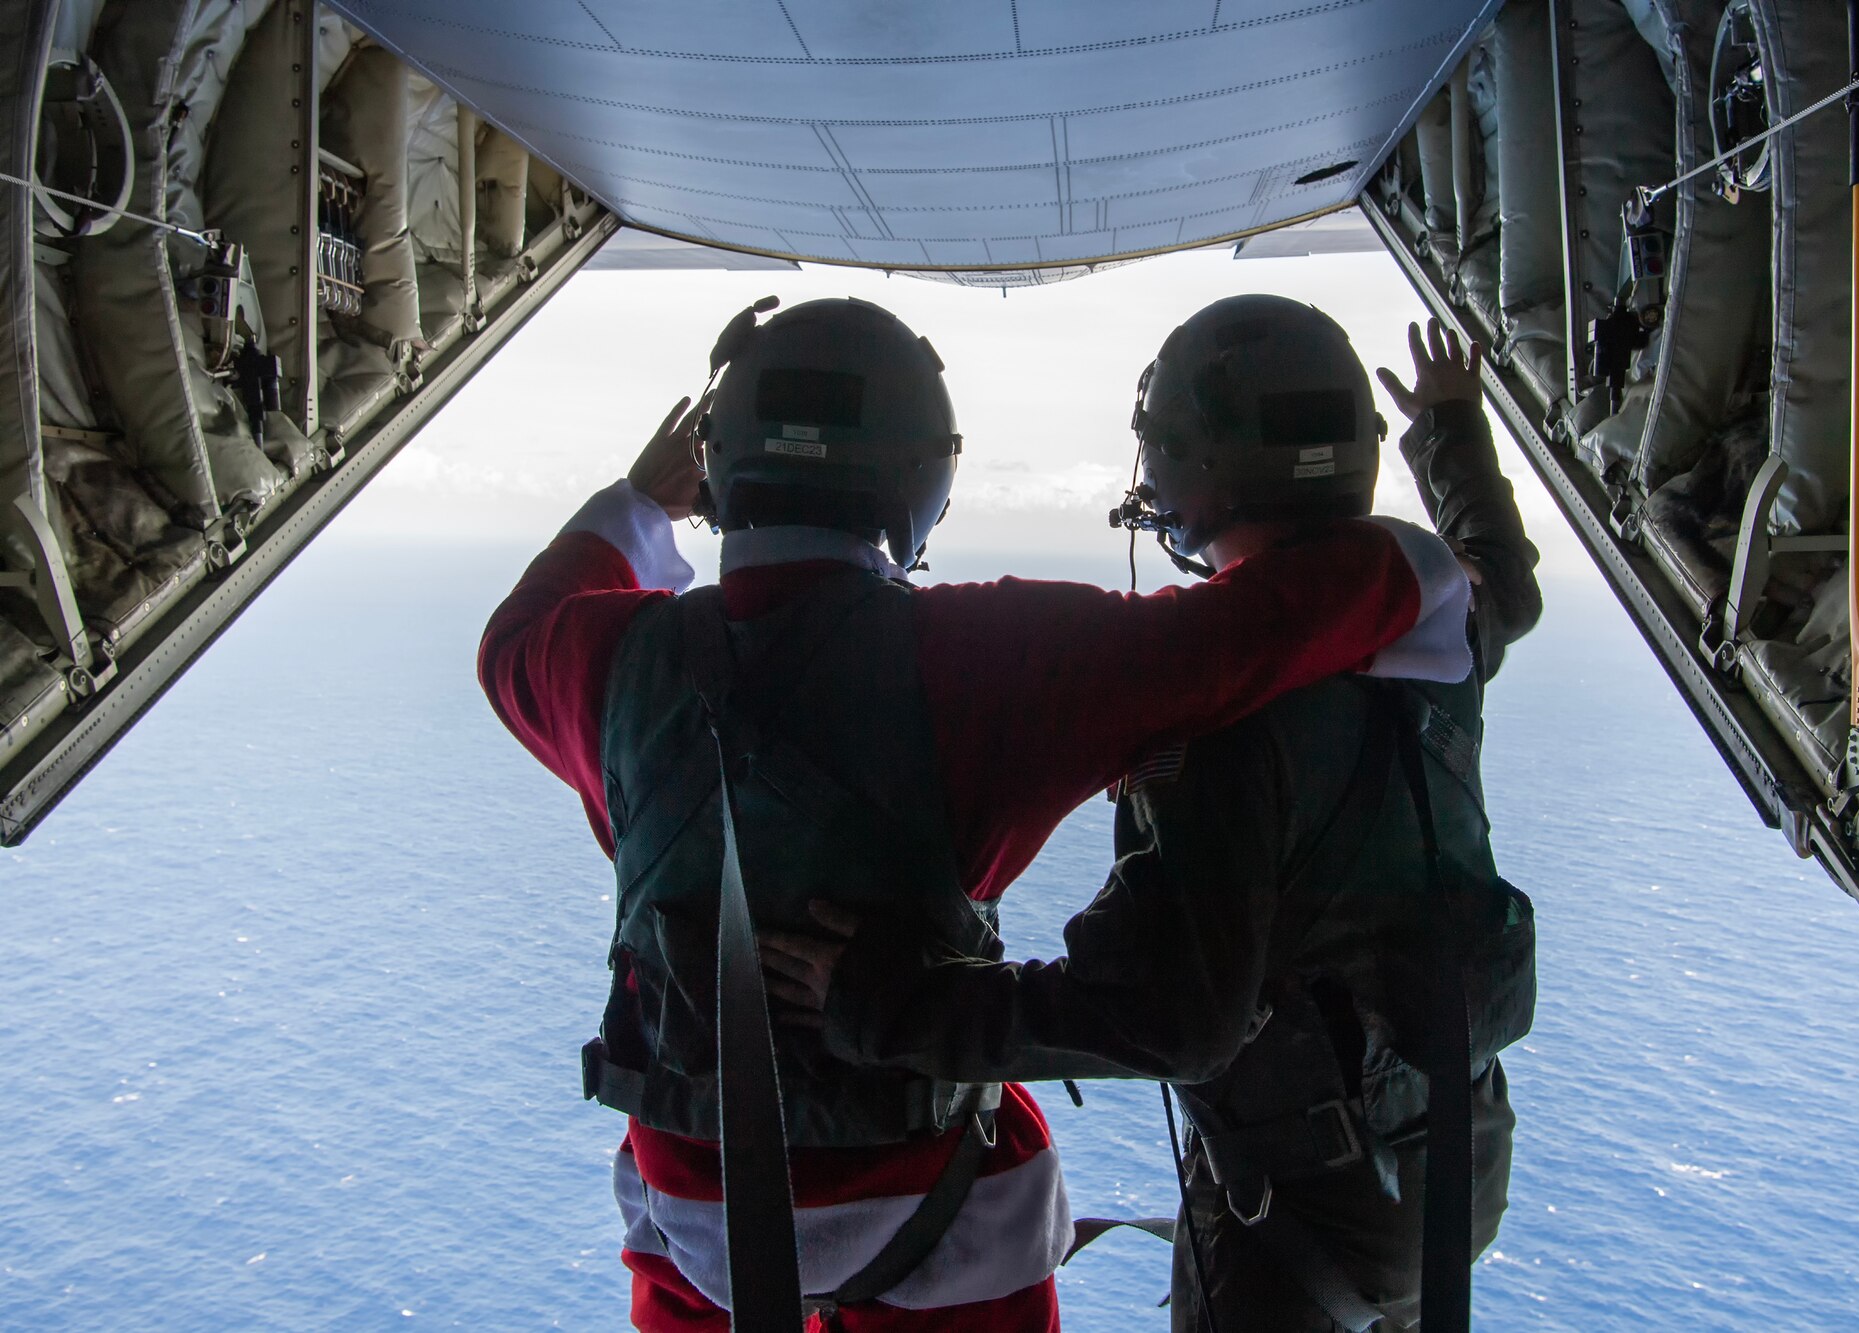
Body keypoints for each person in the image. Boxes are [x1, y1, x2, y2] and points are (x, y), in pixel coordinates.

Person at [477, 295, 1472, 1332]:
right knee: (1004, 1156)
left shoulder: (610, 663)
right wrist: (1428, 571)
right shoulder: (982, 657)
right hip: (938, 1213)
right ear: (921, 480)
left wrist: (642, 503)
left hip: (694, 1208)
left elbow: (514, 639)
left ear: (720, 466)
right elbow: (1237, 637)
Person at [763, 306, 1541, 1332]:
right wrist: (1449, 431)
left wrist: (885, 1003)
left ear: (1190, 471)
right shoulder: (1440, 627)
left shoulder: (1221, 723)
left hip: (1295, 1227)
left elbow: (1176, 1019)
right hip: (1450, 1175)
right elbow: (1507, 582)